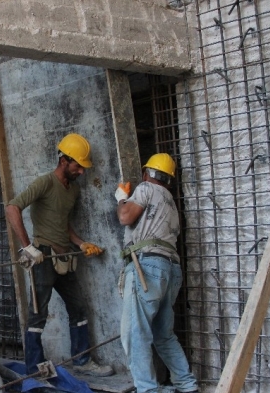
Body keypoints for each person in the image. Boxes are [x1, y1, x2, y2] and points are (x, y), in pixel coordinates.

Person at [5, 133, 114, 378]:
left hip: (64, 257)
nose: (81, 172)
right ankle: (35, 370)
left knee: (78, 309)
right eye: (78, 166)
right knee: (38, 314)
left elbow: (64, 225)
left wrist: (82, 243)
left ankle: (82, 360)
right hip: (43, 256)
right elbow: (12, 207)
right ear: (64, 160)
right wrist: (27, 247)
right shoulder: (45, 183)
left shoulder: (72, 191)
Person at [115, 153, 198, 393]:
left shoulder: (146, 188)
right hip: (170, 270)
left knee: (134, 332)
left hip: (147, 267)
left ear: (146, 173)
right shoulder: (171, 203)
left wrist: (122, 198)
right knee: (164, 334)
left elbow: (125, 216)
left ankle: (148, 390)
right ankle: (187, 384)